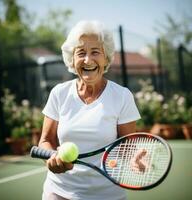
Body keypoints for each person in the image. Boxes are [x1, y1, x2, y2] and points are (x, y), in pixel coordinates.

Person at [39, 20, 141, 200]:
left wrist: (133, 158)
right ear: (72, 59)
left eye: (95, 52)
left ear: (106, 58)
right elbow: (45, 140)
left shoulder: (122, 96)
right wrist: (51, 157)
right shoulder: (59, 93)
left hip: (108, 195)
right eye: (81, 53)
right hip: (59, 192)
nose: (87, 60)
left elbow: (127, 147)